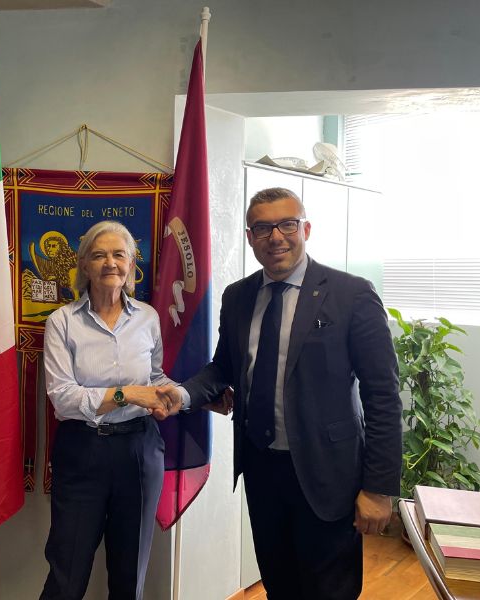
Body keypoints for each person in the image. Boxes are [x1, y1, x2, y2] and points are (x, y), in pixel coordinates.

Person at [162, 187, 402, 600]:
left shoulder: (351, 294)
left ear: (305, 229)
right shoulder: (238, 297)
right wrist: (182, 396)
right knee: (280, 586)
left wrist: (378, 489)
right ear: (250, 237)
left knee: (330, 592)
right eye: (263, 228)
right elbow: (224, 367)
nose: (276, 237)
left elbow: (383, 395)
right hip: (262, 471)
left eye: (287, 225)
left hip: (328, 475)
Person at [40, 220, 177, 600]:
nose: (110, 263)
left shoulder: (148, 318)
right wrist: (126, 394)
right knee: (67, 573)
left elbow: (154, 377)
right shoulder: (62, 322)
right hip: (82, 450)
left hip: (139, 450)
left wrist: (185, 396)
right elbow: (63, 397)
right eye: (99, 255)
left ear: (131, 264)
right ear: (84, 265)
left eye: (119, 254)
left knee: (129, 576)